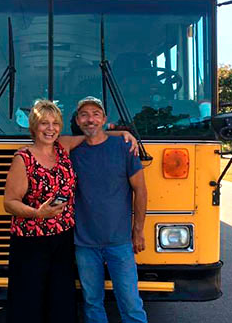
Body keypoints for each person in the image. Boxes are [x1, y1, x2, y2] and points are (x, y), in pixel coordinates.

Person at [3, 100, 137, 323]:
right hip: (31, 242)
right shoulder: (23, 159)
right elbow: (9, 202)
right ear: (34, 127)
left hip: (63, 239)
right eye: (44, 123)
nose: (50, 128)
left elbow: (92, 135)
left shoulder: (62, 147)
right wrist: (38, 213)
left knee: (61, 300)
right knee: (28, 302)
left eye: (55, 123)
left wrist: (122, 133)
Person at [70, 96, 148, 323]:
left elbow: (140, 191)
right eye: (84, 115)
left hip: (120, 242)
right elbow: (43, 139)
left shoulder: (124, 147)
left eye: (95, 114)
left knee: (131, 303)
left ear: (104, 118)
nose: (90, 119)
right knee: (92, 303)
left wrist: (138, 230)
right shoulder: (72, 151)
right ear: (77, 120)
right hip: (84, 243)